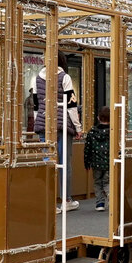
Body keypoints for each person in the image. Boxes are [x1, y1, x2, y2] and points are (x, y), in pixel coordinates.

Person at [34, 53, 82, 212]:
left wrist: (39, 122)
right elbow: (72, 105)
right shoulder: (65, 77)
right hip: (62, 127)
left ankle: (49, 201)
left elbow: (36, 105)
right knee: (64, 164)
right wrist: (78, 127)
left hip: (43, 126)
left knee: (48, 162)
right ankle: (66, 200)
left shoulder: (36, 79)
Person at [83, 105, 111, 211]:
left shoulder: (91, 132)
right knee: (107, 182)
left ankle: (100, 203)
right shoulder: (112, 132)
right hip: (108, 163)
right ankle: (110, 198)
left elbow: (87, 149)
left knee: (97, 182)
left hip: (95, 163)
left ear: (98, 118)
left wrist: (87, 162)